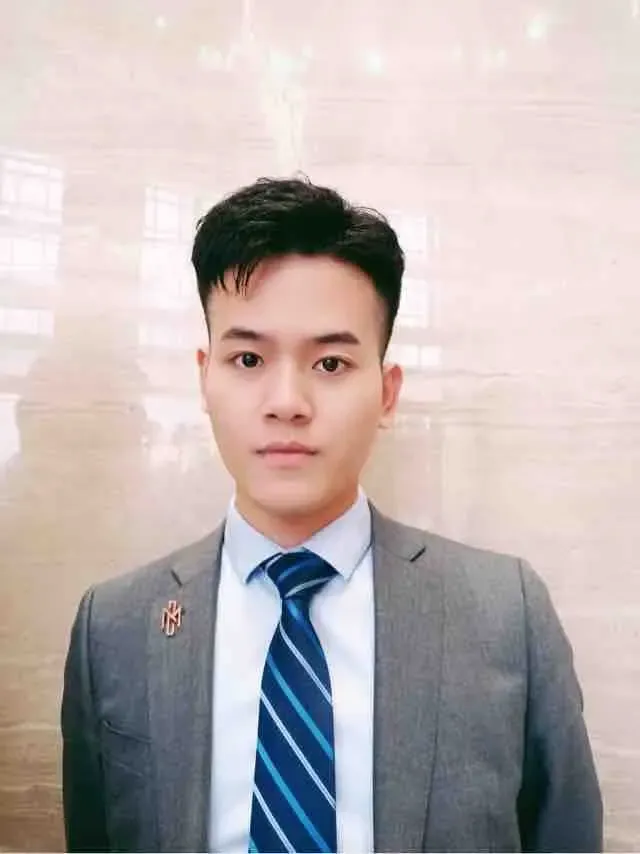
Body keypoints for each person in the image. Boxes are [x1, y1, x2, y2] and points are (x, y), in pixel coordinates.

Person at [61, 177, 603, 853]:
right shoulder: (113, 628)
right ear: (205, 376)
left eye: (331, 362)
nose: (287, 401)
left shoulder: (505, 614)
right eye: (248, 358)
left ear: (387, 392)